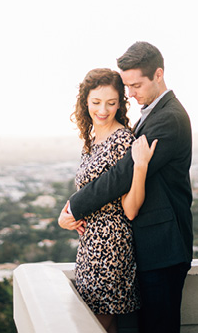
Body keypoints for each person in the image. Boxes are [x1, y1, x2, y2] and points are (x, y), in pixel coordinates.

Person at [59, 42, 193, 333]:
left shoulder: (169, 118)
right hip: (147, 244)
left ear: (159, 74)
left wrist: (74, 207)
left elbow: (123, 174)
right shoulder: (152, 112)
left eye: (135, 85)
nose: (130, 93)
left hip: (164, 245)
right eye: (127, 86)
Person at [57, 67, 155, 333]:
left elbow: (131, 209)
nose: (103, 110)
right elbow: (88, 194)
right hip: (89, 247)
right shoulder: (91, 141)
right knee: (95, 323)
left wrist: (141, 167)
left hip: (111, 247)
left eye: (111, 103)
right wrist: (70, 215)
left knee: (101, 324)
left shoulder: (123, 140)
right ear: (85, 102)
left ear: (120, 103)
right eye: (96, 102)